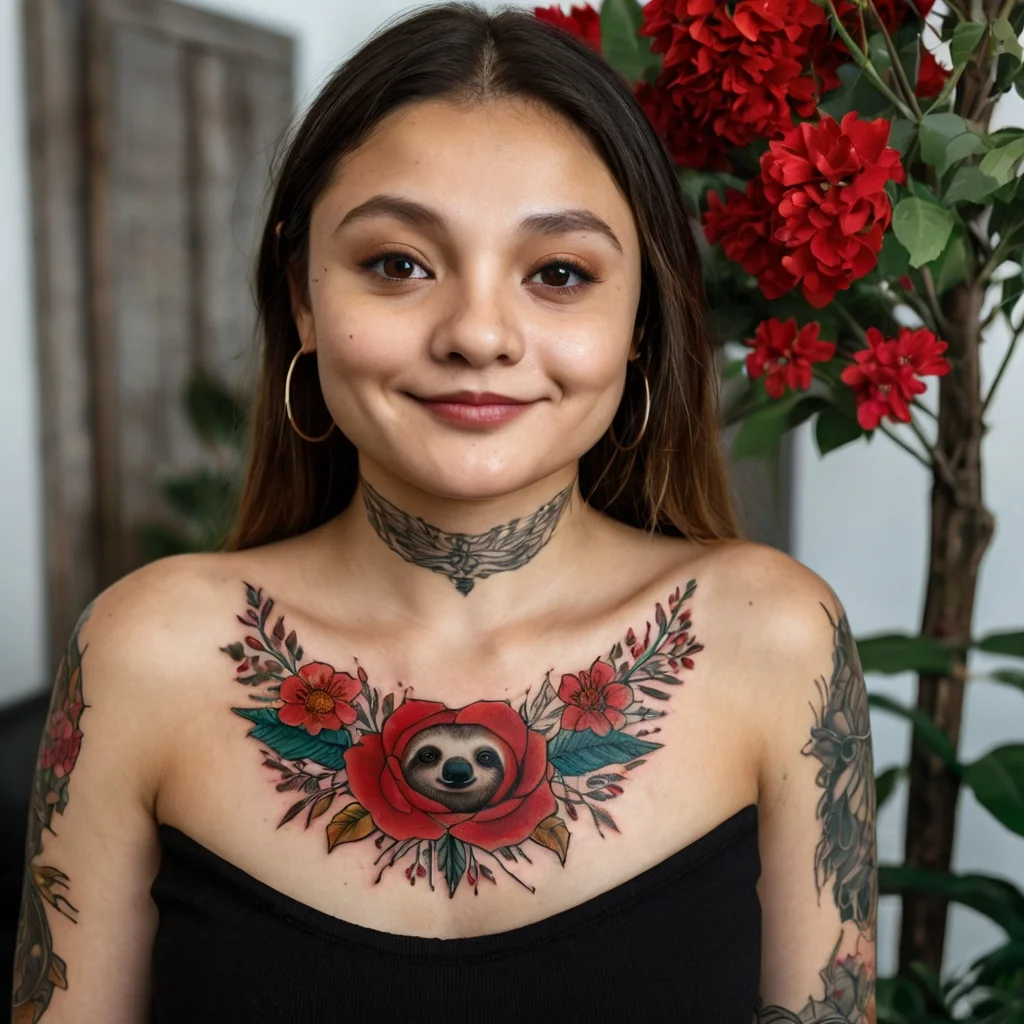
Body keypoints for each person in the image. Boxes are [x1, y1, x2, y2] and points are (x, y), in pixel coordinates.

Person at [12, 3, 877, 1022]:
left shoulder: (773, 641)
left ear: (641, 320)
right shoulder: (143, 652)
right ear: (302, 294)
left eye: (559, 273)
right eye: (399, 264)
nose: (476, 332)